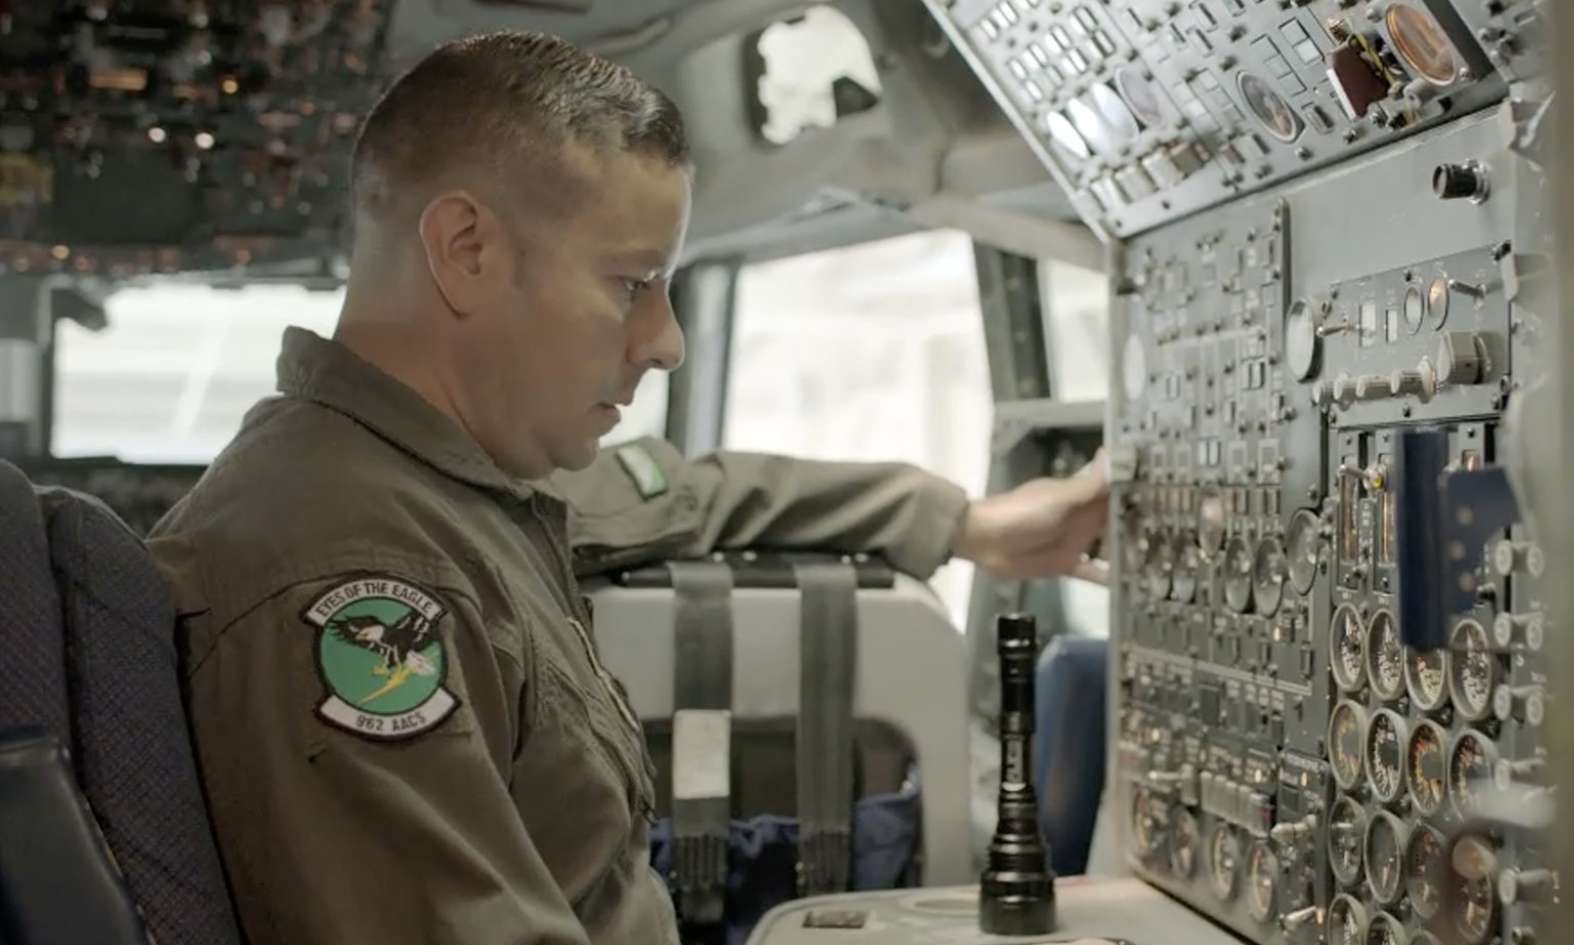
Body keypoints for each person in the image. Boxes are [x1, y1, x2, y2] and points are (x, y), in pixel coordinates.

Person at [147, 31, 1109, 945]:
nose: (667, 341)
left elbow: (680, 491)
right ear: (466, 250)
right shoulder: (356, 576)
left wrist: (968, 524)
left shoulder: (441, 486)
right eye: (632, 283)